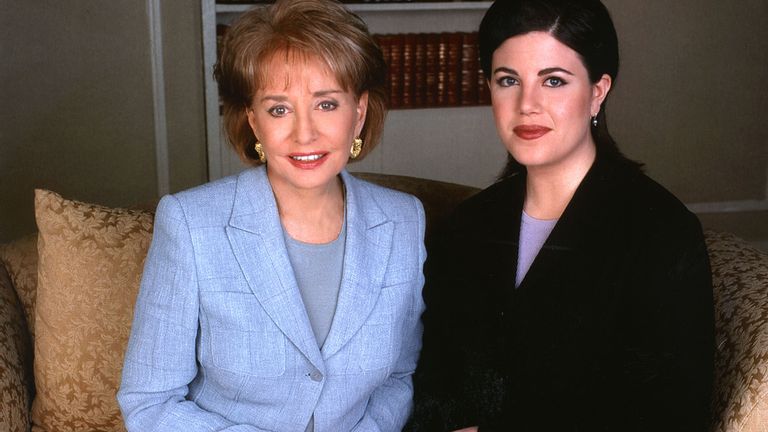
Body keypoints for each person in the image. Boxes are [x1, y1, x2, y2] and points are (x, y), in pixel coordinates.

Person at [117, 1, 426, 430]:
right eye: (279, 109)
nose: (304, 133)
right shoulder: (190, 224)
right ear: (253, 121)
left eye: (326, 104)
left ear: (358, 113)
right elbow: (149, 403)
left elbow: (398, 377)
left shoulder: (404, 222)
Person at [407, 0, 714, 430]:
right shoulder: (465, 226)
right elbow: (429, 382)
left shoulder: (660, 232)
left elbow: (674, 415)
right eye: (508, 80)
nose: (527, 104)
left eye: (553, 80)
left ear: (598, 91)